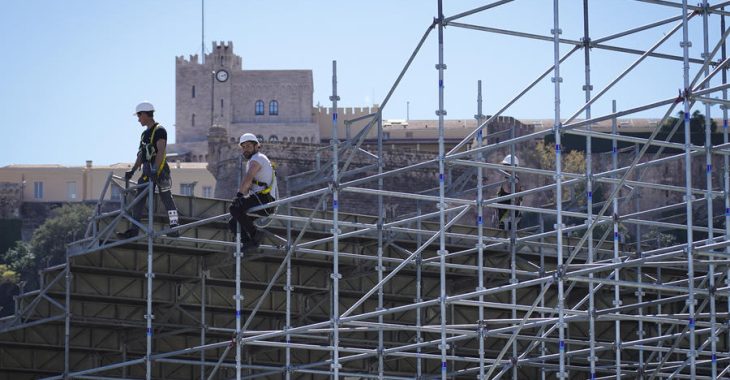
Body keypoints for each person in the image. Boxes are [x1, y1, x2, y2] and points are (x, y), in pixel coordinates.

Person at [117, 101, 180, 239]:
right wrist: (132, 170)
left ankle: (175, 227)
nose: (138, 119)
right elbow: (141, 154)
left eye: (139, 116)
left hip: (160, 170)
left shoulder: (159, 130)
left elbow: (161, 152)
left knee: (166, 198)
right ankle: (134, 230)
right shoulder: (144, 135)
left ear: (145, 114)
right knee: (139, 199)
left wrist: (155, 170)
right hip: (147, 171)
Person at [229, 133, 277, 248]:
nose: (246, 149)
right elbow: (249, 184)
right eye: (244, 147)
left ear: (256, 146)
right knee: (233, 222)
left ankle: (255, 234)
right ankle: (249, 243)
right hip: (262, 201)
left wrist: (239, 195)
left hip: (264, 200)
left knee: (234, 208)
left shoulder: (257, 159)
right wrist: (241, 197)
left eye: (249, 146)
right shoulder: (255, 160)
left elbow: (248, 178)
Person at [496, 154, 522, 231]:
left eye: (506, 166)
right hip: (504, 220)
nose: (504, 168)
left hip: (509, 221)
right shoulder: (507, 180)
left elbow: (514, 198)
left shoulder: (515, 181)